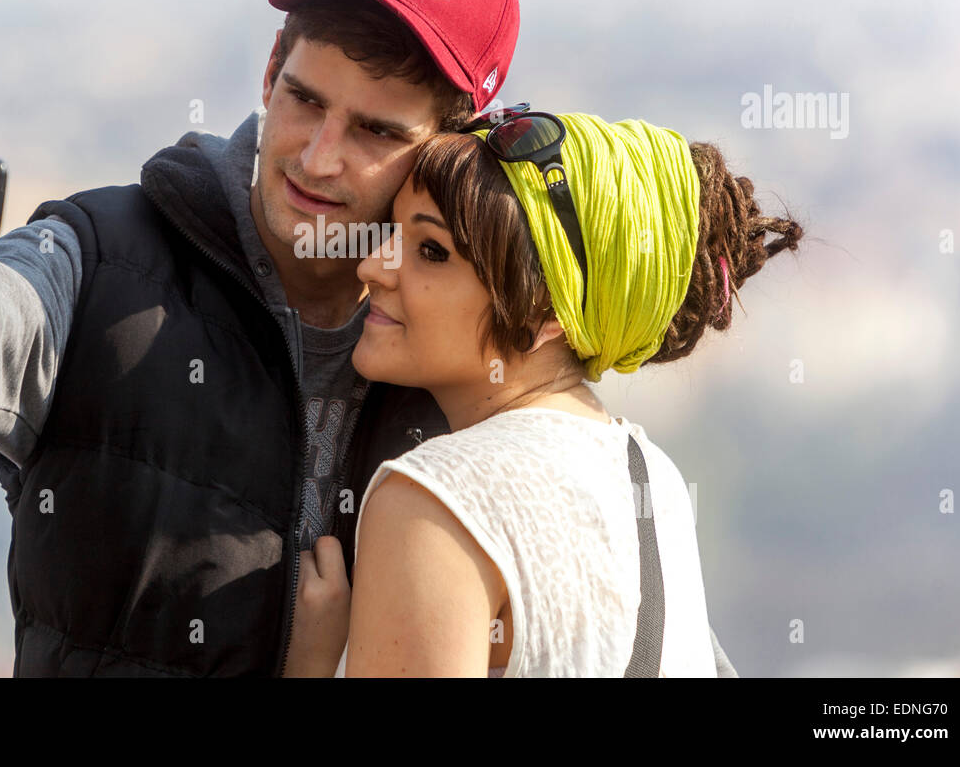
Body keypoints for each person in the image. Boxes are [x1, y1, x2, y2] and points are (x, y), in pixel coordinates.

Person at [0, 0, 738, 676]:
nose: (318, 160)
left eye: (374, 131)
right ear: (268, 71)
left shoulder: (467, 373)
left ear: (450, 151)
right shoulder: (108, 253)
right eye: (304, 99)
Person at [280, 110, 802, 676]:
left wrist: (311, 661)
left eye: (431, 251)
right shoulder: (655, 481)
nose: (373, 267)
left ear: (545, 313)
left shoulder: (435, 502)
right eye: (392, 233)